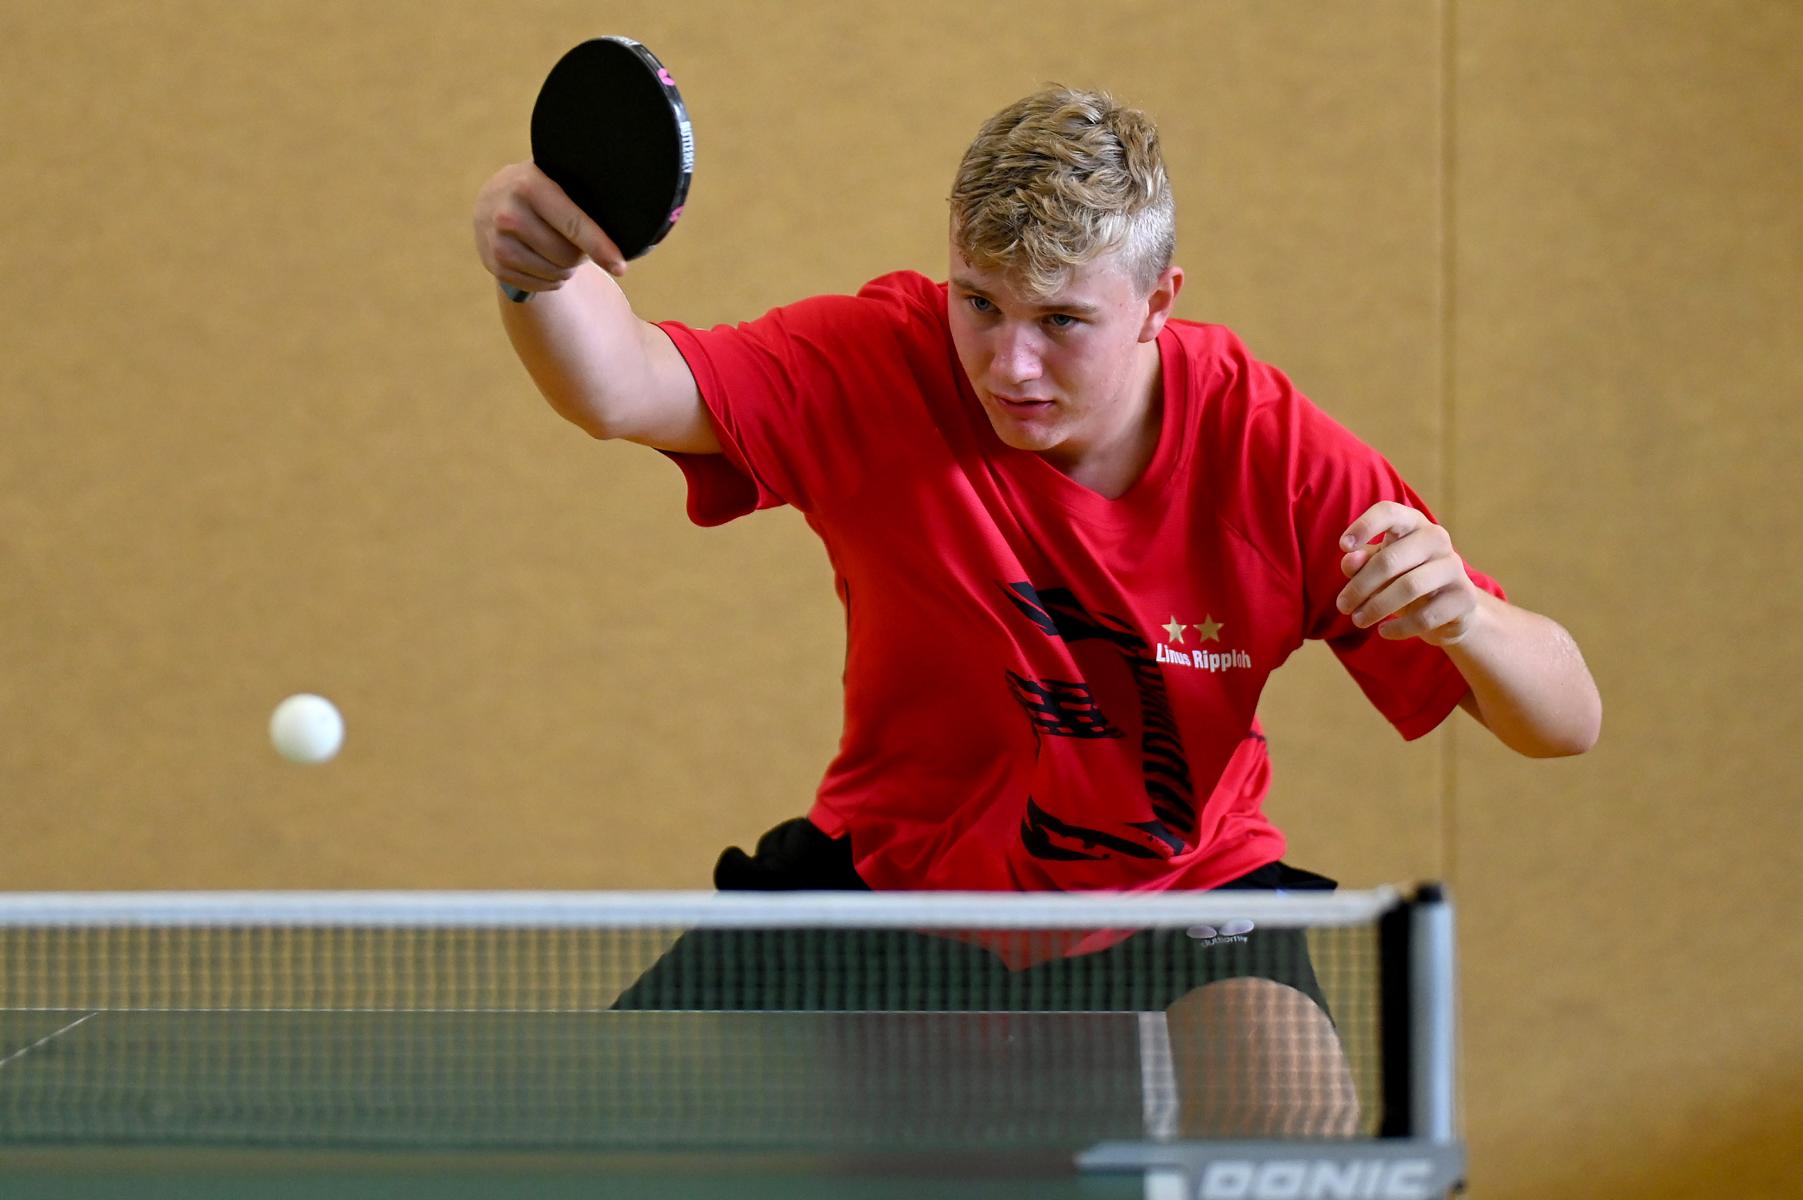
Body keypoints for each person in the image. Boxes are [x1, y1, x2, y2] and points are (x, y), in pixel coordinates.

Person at [472, 85, 1601, 1136]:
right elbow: (621, 385)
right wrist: (538, 272)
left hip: (1178, 895)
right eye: (979, 303)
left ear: (1158, 302)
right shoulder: (881, 363)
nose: (1009, 365)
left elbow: (1566, 722)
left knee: (1297, 1136)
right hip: (888, 880)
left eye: (1061, 321)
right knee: (587, 1141)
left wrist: (1469, 618)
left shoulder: (1275, 458)